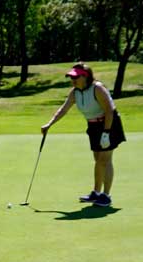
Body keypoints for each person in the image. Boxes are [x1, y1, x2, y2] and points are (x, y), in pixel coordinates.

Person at [40, 62, 126, 207]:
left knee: (105, 160)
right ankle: (96, 193)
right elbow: (63, 109)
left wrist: (106, 133)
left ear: (85, 77)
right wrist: (49, 124)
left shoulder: (97, 88)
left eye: (76, 77)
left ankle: (106, 195)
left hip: (109, 124)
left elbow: (109, 111)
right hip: (93, 126)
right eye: (71, 77)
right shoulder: (75, 92)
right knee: (98, 159)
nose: (72, 80)